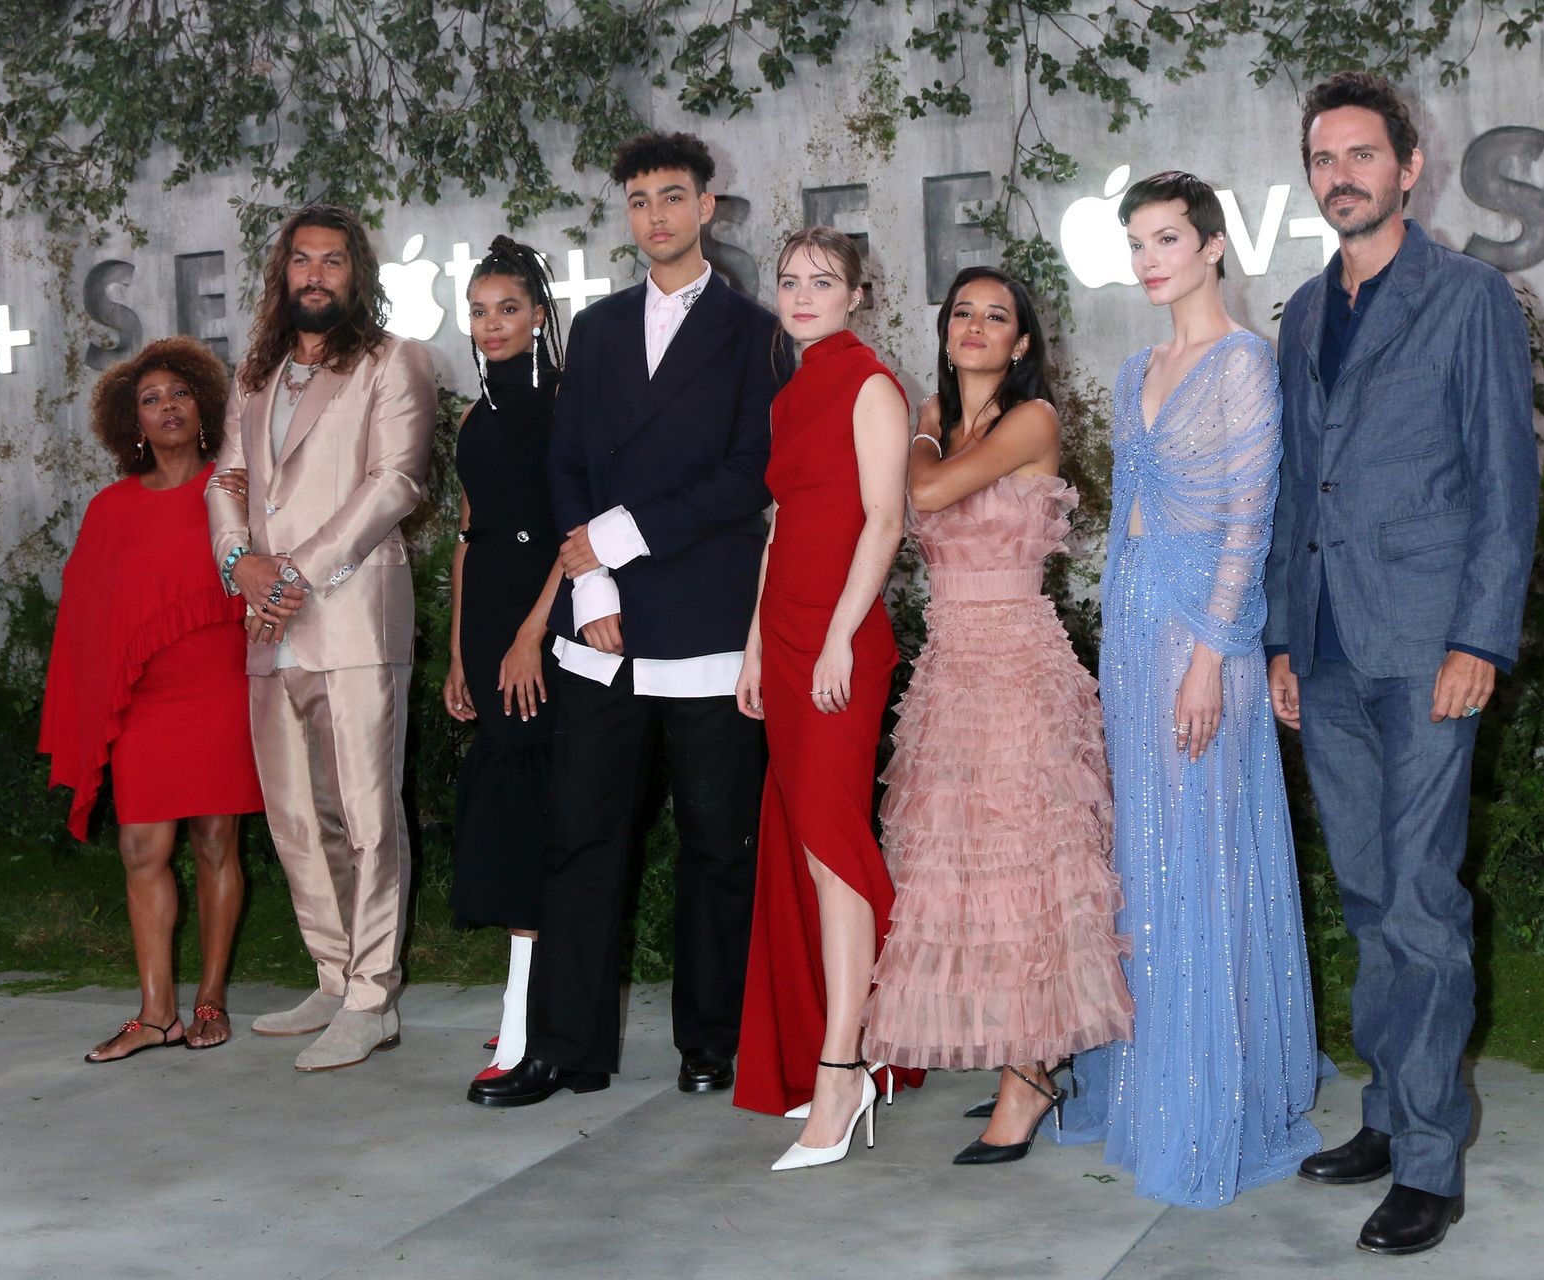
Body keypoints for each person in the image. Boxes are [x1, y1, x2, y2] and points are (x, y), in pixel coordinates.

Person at [1265, 73, 1539, 1255]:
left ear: (1409, 167)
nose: (1342, 175)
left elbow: (1504, 481)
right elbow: (1297, 488)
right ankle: (1386, 1112)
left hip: (1428, 646)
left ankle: (1428, 1159)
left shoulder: (1470, 297)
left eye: (1362, 154)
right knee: (1372, 894)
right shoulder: (1300, 314)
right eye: (1325, 159)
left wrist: (1481, 636)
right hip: (1327, 645)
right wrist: (1282, 636)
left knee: (1422, 902)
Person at [469, 132, 782, 1109]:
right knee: (578, 834)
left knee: (716, 840)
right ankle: (567, 1048)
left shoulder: (753, 332)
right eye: (640, 200)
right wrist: (593, 585)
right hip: (600, 624)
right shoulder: (600, 329)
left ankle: (710, 1039)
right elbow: (566, 460)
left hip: (704, 616)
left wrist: (619, 537)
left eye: (672, 197)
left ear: (707, 206)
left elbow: (747, 475)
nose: (656, 216)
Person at [1059, 171, 1323, 1206]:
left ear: (1214, 246)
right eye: (1137, 242)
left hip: (1204, 639)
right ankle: (1152, 1083)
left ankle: (1216, 1095)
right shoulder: (1136, 369)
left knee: (1204, 856)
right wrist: (1109, 643)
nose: (1148, 259)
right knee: (1145, 858)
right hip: (1133, 632)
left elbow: (1250, 525)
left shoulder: (1244, 362)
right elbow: (1127, 519)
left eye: (1167, 238)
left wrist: (1212, 657)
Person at [860, 266, 1132, 1165]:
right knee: (963, 873)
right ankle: (1022, 1052)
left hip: (1018, 666)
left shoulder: (1031, 419)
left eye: (997, 317)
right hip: (950, 667)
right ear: (947, 330)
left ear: (1021, 343)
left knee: (1029, 873)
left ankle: (1030, 1076)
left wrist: (922, 429)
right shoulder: (938, 422)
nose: (976, 327)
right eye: (963, 313)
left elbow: (928, 494)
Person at [205, 203, 436, 1072]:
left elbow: (396, 482)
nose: (315, 274)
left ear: (356, 274)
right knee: (297, 817)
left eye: (332, 261)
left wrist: (294, 571)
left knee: (368, 816)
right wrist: (240, 563)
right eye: (301, 260)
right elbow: (228, 479)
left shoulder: (393, 361)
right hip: (269, 624)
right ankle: (333, 975)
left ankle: (374, 997)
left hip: (352, 615)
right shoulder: (255, 373)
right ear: (283, 274)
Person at [731, 226, 914, 1172]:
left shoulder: (872, 384)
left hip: (842, 643)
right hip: (788, 636)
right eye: (790, 281)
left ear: (856, 294)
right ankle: (844, 1045)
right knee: (809, 853)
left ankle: (843, 1069)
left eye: (823, 281)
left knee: (835, 851)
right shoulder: (790, 394)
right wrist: (757, 646)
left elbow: (884, 520)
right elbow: (780, 527)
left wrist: (840, 634)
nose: (802, 295)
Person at [40, 337, 264, 1061]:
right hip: (143, 699)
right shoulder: (110, 509)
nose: (167, 406)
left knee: (215, 839)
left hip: (220, 686)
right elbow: (85, 617)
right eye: (150, 399)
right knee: (142, 847)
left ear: (203, 407)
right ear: (131, 421)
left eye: (179, 393)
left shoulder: (236, 491)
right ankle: (155, 1013)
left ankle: (210, 999)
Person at [441, 237, 566, 1085]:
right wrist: (460, 652)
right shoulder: (470, 418)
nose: (492, 325)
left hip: (545, 619)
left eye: (508, 309)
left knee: (533, 810)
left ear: (539, 316)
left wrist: (532, 634)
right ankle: (529, 1005)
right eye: (480, 311)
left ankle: (529, 1020)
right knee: (510, 808)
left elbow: (576, 532)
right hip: (487, 622)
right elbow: (466, 535)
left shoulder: (566, 403)